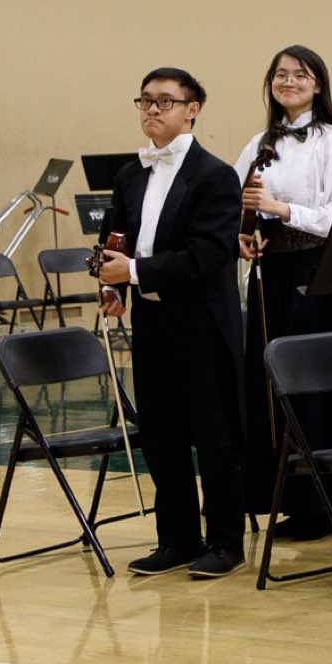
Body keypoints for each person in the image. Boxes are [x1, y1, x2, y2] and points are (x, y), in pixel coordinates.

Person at [96, 68, 245, 579]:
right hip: (152, 319)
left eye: (164, 101)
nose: (152, 110)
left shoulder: (215, 175)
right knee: (161, 433)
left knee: (214, 433)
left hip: (203, 322)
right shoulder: (129, 174)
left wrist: (134, 272)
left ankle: (225, 541)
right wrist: (113, 286)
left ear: (192, 109)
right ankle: (177, 539)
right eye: (145, 101)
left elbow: (209, 254)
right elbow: (117, 237)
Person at [233, 45, 332, 540]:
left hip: (320, 274)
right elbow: (239, 203)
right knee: (272, 386)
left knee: (317, 384)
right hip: (271, 274)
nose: (288, 82)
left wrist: (282, 209)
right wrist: (244, 232)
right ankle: (282, 497)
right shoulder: (257, 143)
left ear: (318, 85)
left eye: (300, 75)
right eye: (280, 74)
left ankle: (323, 504)